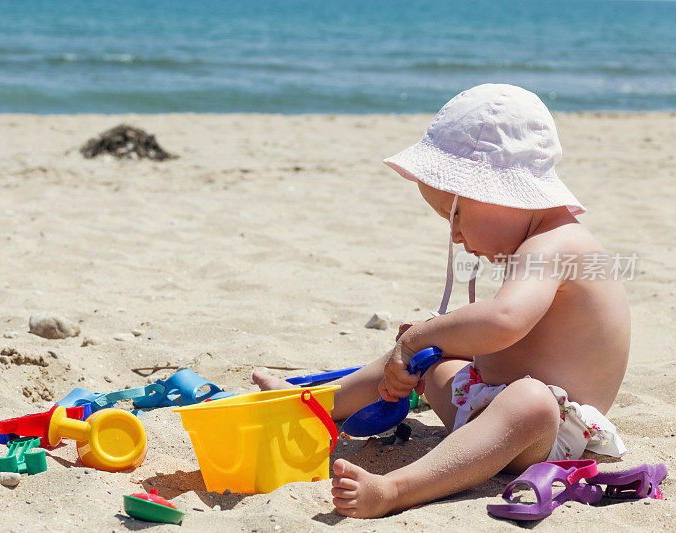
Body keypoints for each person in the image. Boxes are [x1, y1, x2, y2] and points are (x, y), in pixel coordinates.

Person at [253, 84, 629, 518]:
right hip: (488, 410)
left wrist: (418, 339)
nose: (454, 236)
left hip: (548, 431)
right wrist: (426, 342)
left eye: (456, 216)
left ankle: (396, 489)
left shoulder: (557, 245)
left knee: (527, 396)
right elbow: (517, 341)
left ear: (499, 194)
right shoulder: (534, 242)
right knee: (429, 351)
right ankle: (316, 405)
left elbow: (505, 321)